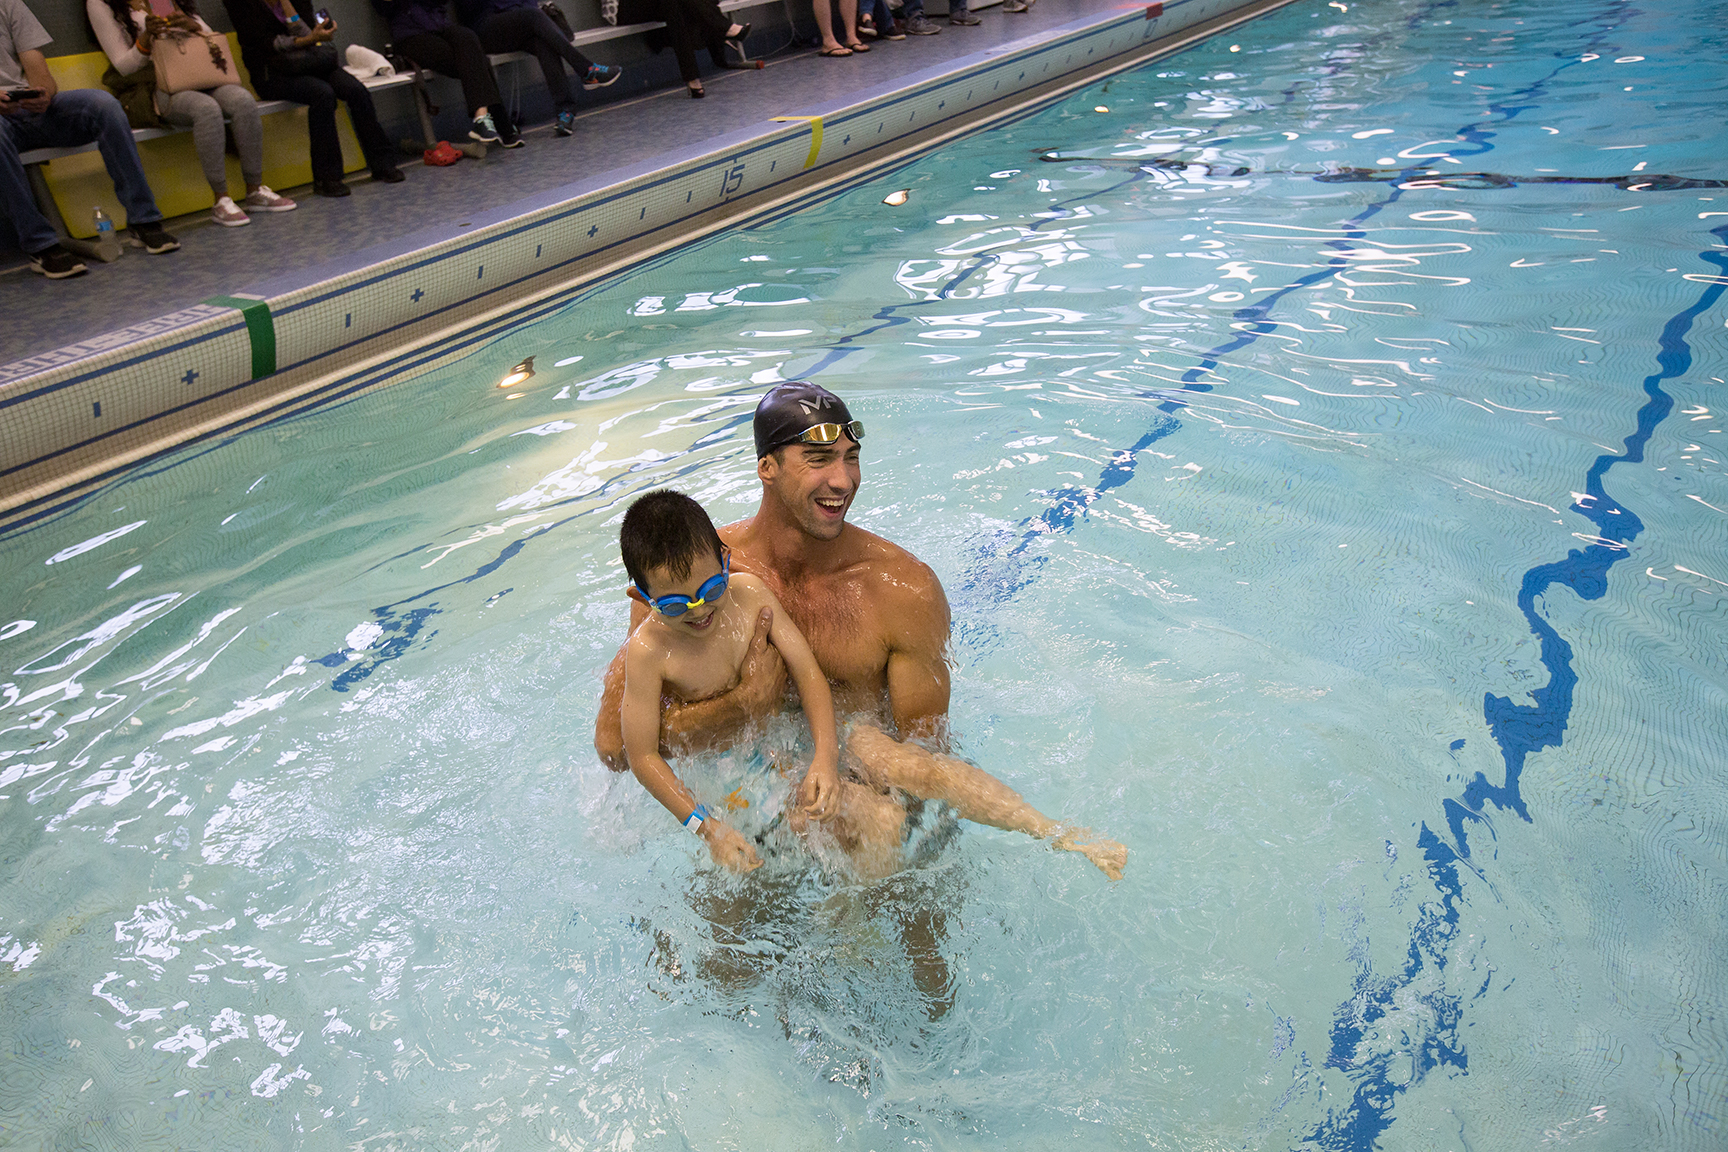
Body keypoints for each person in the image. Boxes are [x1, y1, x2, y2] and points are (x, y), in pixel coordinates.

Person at [596, 381, 1127, 882]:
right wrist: (742, 704)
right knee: (727, 961)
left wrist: (859, 813)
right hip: (746, 790)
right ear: (767, 467)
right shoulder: (689, 576)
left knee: (896, 783)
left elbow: (927, 748)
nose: (843, 480)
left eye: (851, 458)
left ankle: (1058, 836)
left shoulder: (902, 592)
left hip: (857, 776)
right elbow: (616, 750)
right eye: (820, 459)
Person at [618, 489, 856, 874]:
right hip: (718, 781)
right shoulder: (648, 652)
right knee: (749, 880)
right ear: (643, 598)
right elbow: (642, 756)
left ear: (725, 561)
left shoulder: (749, 596)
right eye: (676, 605)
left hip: (778, 744)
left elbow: (807, 672)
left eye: (712, 589)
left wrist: (825, 757)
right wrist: (706, 827)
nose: (700, 611)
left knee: (845, 835)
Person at [1, 0, 178, 278]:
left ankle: (143, 221)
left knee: (102, 105)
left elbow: (39, 72)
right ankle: (41, 245)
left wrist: (43, 94)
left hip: (26, 109)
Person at [87, 0, 297, 228]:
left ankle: (255, 189)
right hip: (152, 86)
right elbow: (123, 66)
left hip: (196, 72)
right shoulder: (100, 3)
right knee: (205, 108)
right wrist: (146, 39)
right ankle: (221, 200)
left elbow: (208, 34)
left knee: (242, 101)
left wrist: (190, 25)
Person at [222, 0, 404, 197]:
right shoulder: (241, 4)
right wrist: (309, 39)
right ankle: (327, 178)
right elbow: (265, 44)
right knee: (322, 94)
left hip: (310, 62)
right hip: (271, 72)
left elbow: (306, 31)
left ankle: (383, 163)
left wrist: (289, 7)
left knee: (356, 90)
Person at [455, 0, 619, 138]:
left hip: (520, 19)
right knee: (533, 16)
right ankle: (587, 70)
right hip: (484, 27)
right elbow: (468, 10)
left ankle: (565, 110)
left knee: (542, 41)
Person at [371, 0, 521, 146]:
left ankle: (482, 119)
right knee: (476, 60)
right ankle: (501, 125)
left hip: (439, 23)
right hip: (410, 35)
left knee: (468, 37)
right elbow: (383, 8)